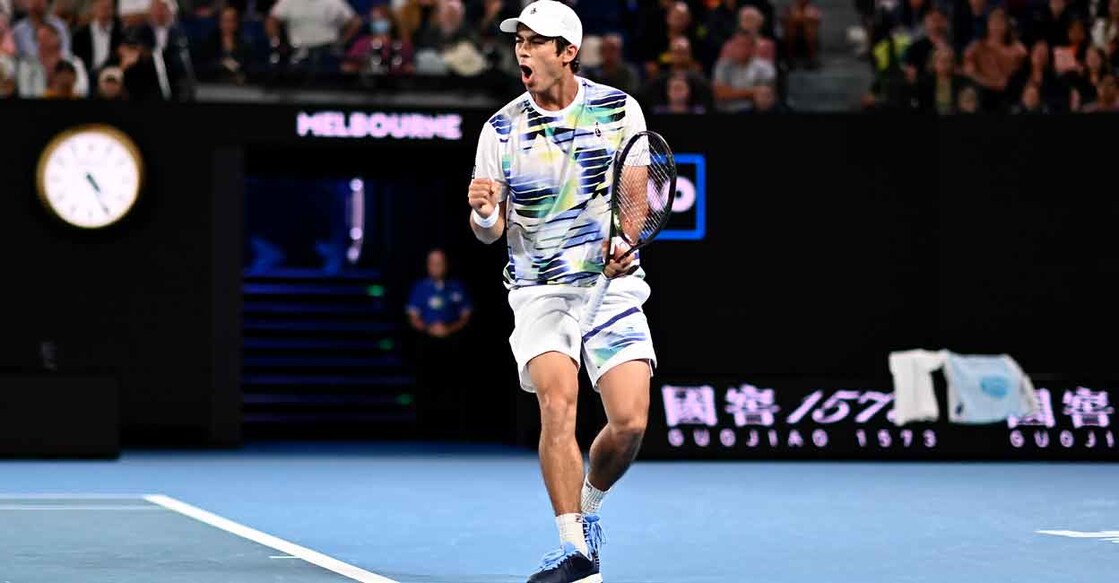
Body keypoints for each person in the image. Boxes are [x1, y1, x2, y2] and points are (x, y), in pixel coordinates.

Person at [467, 2, 657, 582]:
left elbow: (634, 197)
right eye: (518, 41)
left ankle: (589, 510)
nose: (522, 51)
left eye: (534, 42)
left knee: (630, 423)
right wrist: (484, 214)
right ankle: (573, 549)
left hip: (611, 288)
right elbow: (489, 230)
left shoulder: (618, 110)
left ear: (567, 52)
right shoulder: (501, 129)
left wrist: (625, 241)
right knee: (558, 401)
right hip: (540, 291)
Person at [405, 247, 472, 439]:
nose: (436, 267)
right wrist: (429, 329)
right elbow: (413, 316)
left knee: (452, 384)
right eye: (433, 264)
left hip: (451, 344)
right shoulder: (420, 288)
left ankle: (453, 427)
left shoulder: (456, 287)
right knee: (425, 384)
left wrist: (448, 329)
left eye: (440, 263)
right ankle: (423, 426)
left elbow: (466, 315)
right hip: (427, 344)